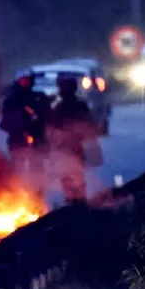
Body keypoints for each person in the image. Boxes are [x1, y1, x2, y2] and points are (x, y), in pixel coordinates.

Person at [47, 74, 98, 205]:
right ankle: (77, 202)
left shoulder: (62, 107)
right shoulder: (71, 106)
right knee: (72, 176)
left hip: (71, 148)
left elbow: (87, 126)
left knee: (72, 176)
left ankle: (76, 203)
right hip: (69, 148)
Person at [0, 69, 50, 195]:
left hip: (36, 140)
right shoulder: (11, 100)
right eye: (24, 80)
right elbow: (5, 123)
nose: (27, 82)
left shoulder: (37, 97)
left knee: (37, 168)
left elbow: (46, 117)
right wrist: (19, 128)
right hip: (18, 140)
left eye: (29, 80)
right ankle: (14, 195)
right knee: (17, 169)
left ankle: (37, 196)